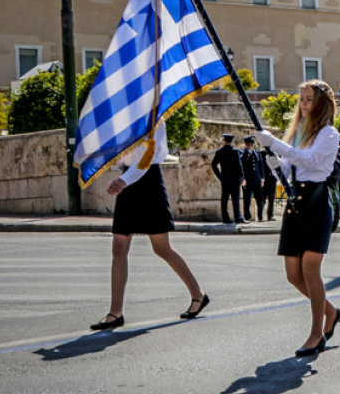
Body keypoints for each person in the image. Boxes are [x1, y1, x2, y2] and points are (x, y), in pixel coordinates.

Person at [90, 120, 209, 330]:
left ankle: (198, 294)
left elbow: (151, 157)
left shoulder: (156, 118)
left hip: (148, 181)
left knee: (162, 248)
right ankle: (115, 312)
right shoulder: (125, 117)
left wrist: (124, 179)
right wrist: (112, 161)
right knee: (119, 248)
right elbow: (124, 157)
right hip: (128, 180)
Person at [255, 81, 340, 357]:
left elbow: (310, 160)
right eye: (302, 99)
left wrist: (276, 144)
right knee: (293, 275)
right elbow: (290, 169)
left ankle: (317, 333)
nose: (304, 104)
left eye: (309, 99)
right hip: (296, 203)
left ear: (322, 104)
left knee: (309, 269)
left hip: (317, 201)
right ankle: (330, 311)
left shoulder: (329, 133)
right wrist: (275, 166)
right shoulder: (296, 133)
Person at [212, 134, 245, 225]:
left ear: (224, 141)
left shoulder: (220, 152)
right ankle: (237, 217)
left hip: (225, 179)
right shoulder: (234, 151)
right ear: (231, 141)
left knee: (224, 198)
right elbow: (239, 166)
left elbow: (213, 164)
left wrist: (220, 176)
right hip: (234, 179)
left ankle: (225, 218)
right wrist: (242, 177)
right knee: (235, 199)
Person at [240, 136, 263, 221]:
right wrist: (248, 152)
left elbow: (261, 167)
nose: (252, 145)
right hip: (248, 180)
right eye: (250, 143)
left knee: (260, 199)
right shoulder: (243, 153)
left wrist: (262, 178)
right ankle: (247, 216)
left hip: (257, 179)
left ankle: (260, 216)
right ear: (247, 144)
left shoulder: (257, 153)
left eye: (253, 143)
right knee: (247, 199)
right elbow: (242, 163)